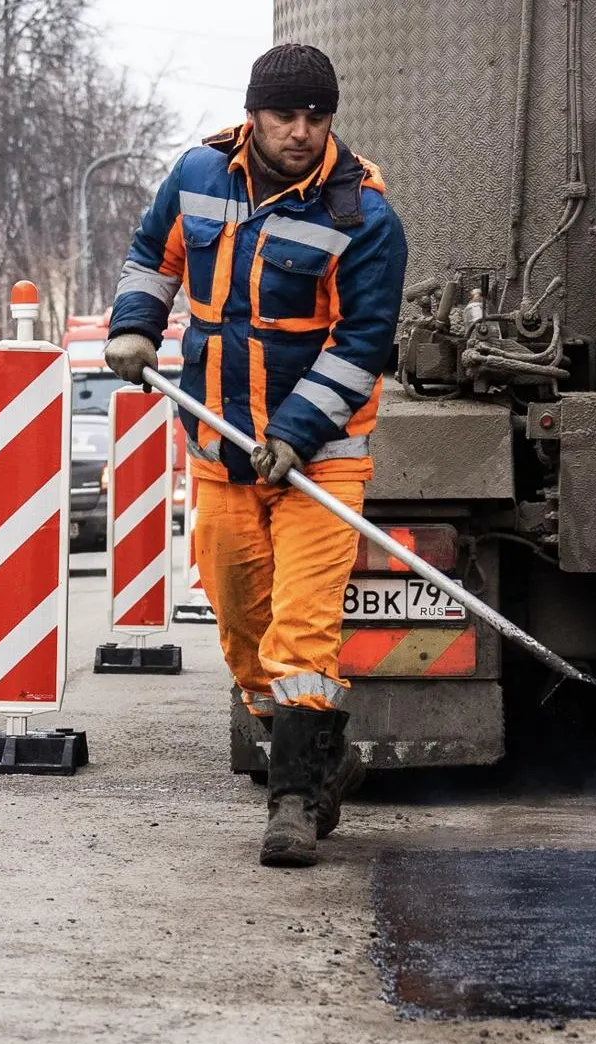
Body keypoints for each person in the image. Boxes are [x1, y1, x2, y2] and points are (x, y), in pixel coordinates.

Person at [102, 44, 409, 867]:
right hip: (218, 448)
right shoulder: (198, 175)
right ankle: (324, 758)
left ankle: (295, 806)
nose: (302, 133)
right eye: (286, 116)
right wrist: (134, 325)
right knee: (243, 633)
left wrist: (296, 435)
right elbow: (152, 256)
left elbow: (362, 342)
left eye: (317, 117)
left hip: (320, 460)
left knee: (301, 633)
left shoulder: (364, 217)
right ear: (253, 115)